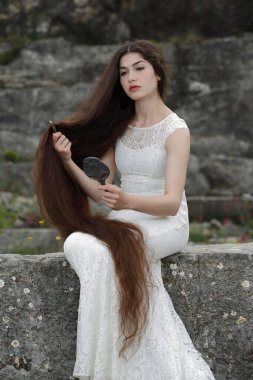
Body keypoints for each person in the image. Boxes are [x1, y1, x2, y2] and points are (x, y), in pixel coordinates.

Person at [34, 39, 215, 380]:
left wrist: (129, 200)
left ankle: (106, 368)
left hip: (165, 221)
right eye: (123, 72)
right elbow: (100, 193)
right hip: (127, 217)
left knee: (112, 250)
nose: (131, 77)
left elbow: (172, 201)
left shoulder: (177, 131)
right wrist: (66, 160)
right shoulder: (121, 127)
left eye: (139, 68)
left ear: (158, 74)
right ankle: (107, 360)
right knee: (78, 243)